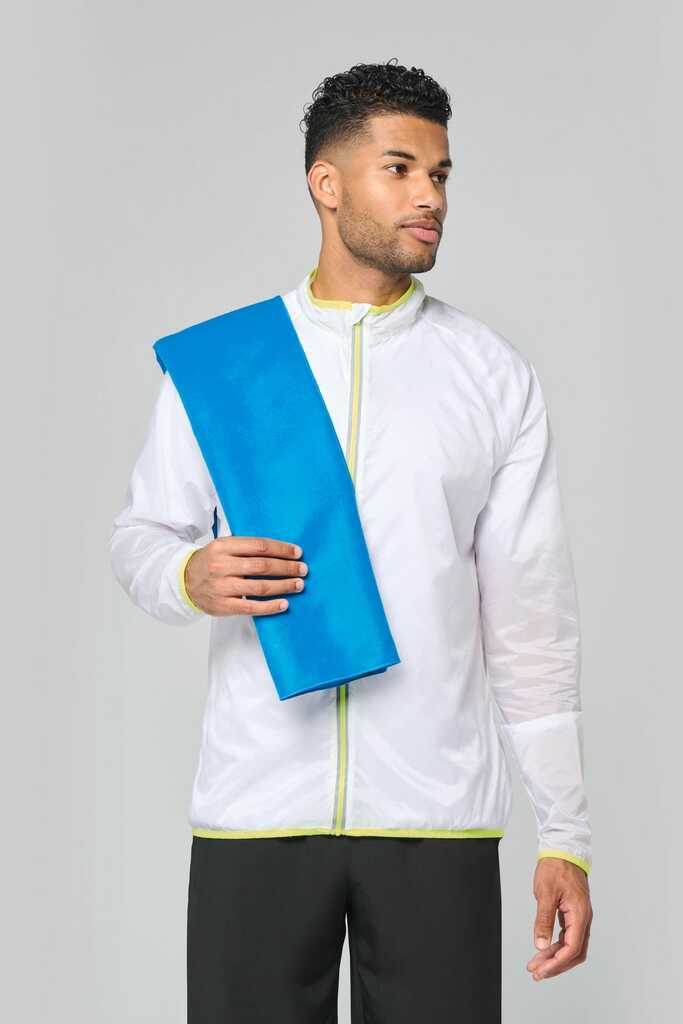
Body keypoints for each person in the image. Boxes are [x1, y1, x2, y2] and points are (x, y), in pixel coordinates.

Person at [110, 58, 593, 1023]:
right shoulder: (224, 362)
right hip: (255, 810)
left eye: (440, 174)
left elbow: (531, 626)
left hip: (436, 819)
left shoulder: (491, 376)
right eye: (399, 169)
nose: (430, 197)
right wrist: (186, 573)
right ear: (325, 185)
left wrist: (564, 834)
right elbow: (140, 538)